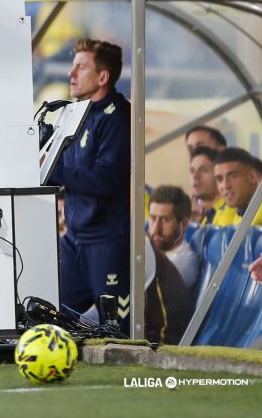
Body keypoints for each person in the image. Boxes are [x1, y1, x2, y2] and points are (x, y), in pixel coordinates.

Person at [48, 38, 131, 334]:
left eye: (81, 67)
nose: (71, 74)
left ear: (103, 77)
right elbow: (68, 173)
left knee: (118, 328)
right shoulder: (76, 115)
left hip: (107, 241)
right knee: (50, 312)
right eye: (72, 67)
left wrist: (53, 168)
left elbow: (105, 181)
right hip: (75, 237)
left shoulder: (117, 117)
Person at [148, 185, 200, 290]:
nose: (156, 228)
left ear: (184, 224)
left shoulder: (183, 261)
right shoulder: (153, 252)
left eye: (164, 220)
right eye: (153, 218)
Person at [212, 147, 262, 228]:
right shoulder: (240, 210)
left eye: (233, 176)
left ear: (253, 176)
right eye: (219, 179)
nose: (225, 185)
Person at [189, 146, 224, 225]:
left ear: (219, 175)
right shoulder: (202, 216)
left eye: (204, 170)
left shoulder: (230, 212)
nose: (195, 176)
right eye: (192, 171)